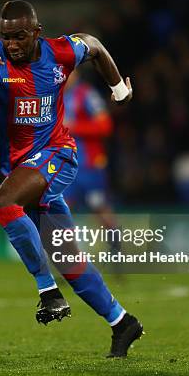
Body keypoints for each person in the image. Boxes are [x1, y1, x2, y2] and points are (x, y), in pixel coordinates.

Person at [0, 0, 142, 358]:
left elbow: (96, 46)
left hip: (59, 154)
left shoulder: (61, 51)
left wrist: (119, 90)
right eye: (6, 37)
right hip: (23, 170)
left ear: (36, 32)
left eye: (19, 37)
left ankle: (47, 292)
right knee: (70, 261)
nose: (12, 44)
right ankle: (122, 322)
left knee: (3, 201)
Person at [63, 71, 121, 257]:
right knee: (62, 210)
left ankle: (116, 253)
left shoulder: (87, 94)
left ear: (76, 73)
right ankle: (66, 259)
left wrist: (73, 126)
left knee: (100, 209)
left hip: (89, 166)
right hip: (65, 165)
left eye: (68, 72)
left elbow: (105, 126)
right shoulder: (55, 96)